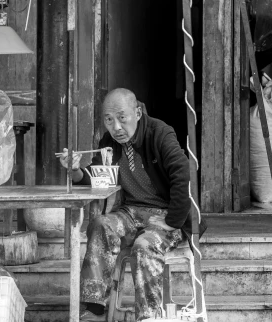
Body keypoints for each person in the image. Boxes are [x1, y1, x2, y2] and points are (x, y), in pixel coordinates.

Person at [59, 88, 194, 321]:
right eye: (109, 120)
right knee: (101, 224)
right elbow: (99, 177)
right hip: (130, 213)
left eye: (122, 118)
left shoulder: (159, 133)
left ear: (138, 112)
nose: (116, 127)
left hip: (165, 214)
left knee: (144, 245)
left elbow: (182, 173)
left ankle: (149, 316)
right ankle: (95, 309)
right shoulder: (108, 142)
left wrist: (173, 220)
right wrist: (75, 171)